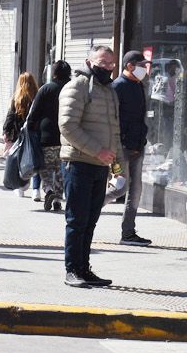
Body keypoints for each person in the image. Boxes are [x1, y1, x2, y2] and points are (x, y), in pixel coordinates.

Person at [58, 46, 120, 288]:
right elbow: (67, 126)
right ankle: (72, 269)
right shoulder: (77, 86)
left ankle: (84, 268)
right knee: (76, 220)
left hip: (100, 165)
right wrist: (98, 150)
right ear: (89, 61)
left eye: (111, 65)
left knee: (90, 220)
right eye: (102, 63)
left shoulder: (109, 91)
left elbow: (114, 132)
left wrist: (118, 168)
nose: (107, 68)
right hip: (78, 163)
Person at [111, 51, 152, 246]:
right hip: (122, 148)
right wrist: (123, 142)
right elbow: (114, 119)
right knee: (119, 188)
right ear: (130, 65)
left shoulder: (138, 85)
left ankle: (128, 232)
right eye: (142, 65)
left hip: (137, 145)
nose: (145, 69)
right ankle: (83, 216)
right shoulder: (118, 86)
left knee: (135, 189)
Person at [27, 62, 71, 212]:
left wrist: (30, 127)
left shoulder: (46, 89)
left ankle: (48, 190)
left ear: (54, 73)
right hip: (67, 138)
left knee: (44, 169)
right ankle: (58, 200)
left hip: (46, 136)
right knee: (60, 172)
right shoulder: (73, 89)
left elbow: (35, 112)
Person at [3, 72, 40, 199]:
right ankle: (36, 189)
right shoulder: (37, 96)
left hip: (19, 135)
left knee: (18, 160)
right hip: (34, 134)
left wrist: (6, 134)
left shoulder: (17, 98)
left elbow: (10, 117)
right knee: (34, 158)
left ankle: (19, 187)